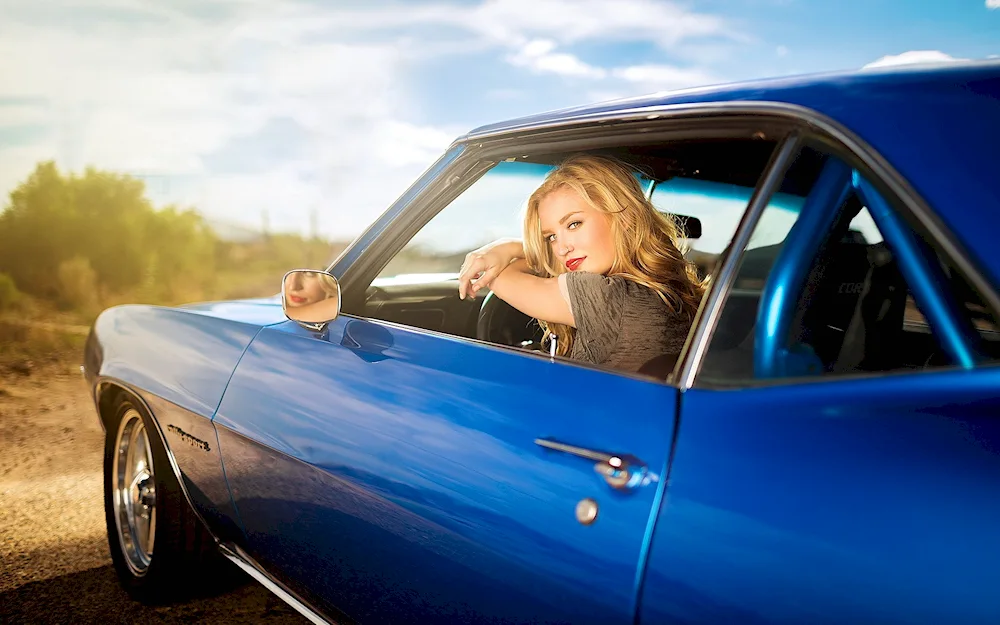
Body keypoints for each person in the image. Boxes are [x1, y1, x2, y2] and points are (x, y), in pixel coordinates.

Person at [457, 155, 705, 373]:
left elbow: (497, 277)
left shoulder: (607, 295)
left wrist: (504, 247)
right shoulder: (667, 291)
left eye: (574, 224)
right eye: (551, 237)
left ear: (625, 217)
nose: (562, 248)